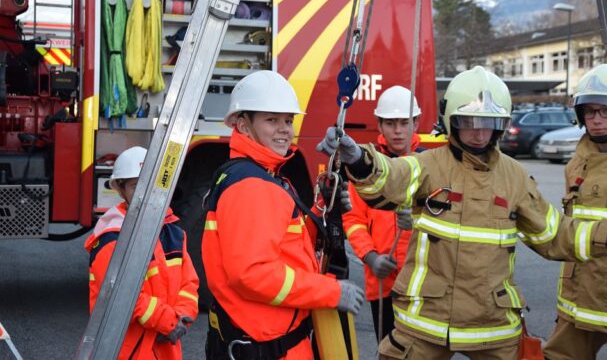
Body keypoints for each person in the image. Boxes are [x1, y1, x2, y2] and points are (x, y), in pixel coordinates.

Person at [317, 65, 607, 359]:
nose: (478, 131)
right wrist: (358, 157)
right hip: (426, 323)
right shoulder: (430, 165)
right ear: (451, 122)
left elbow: (554, 234)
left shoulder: (514, 177)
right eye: (468, 121)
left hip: (491, 326)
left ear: (502, 124)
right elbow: (389, 177)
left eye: (489, 122)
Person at [201, 70, 364, 360]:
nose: (284, 130)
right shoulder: (252, 186)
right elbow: (253, 274)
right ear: (243, 124)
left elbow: (284, 246)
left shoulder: (258, 176)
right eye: (271, 120)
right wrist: (330, 291)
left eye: (288, 120)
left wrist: (320, 210)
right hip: (269, 348)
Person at [544, 64, 607, 359]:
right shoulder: (576, 164)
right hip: (579, 293)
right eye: (590, 112)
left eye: (606, 111)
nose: (597, 120)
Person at [85, 146, 199, 359]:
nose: (146, 193)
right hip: (126, 350)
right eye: (136, 186)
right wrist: (169, 322)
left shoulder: (174, 232)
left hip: (165, 348)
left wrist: (183, 315)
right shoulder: (111, 237)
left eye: (152, 184)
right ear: (121, 190)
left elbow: (189, 283)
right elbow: (122, 296)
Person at [342, 85, 422, 341]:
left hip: (421, 283)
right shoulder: (366, 166)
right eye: (390, 123)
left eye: (404, 123)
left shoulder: (429, 165)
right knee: (389, 349)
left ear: (416, 123)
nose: (397, 131)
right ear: (379, 125)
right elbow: (353, 220)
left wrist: (419, 221)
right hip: (382, 281)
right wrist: (370, 257)